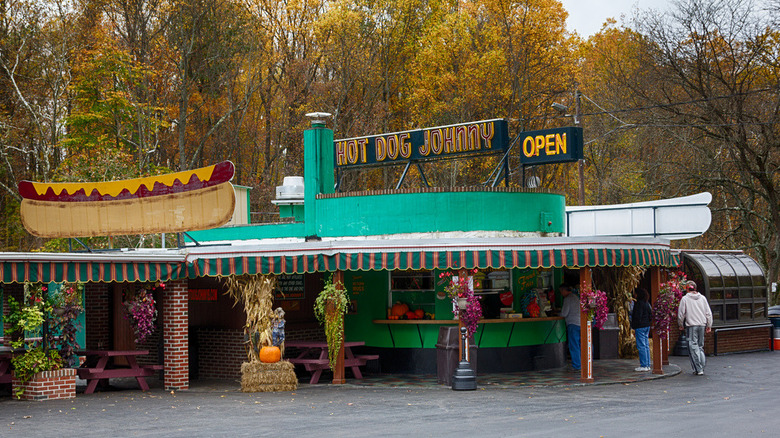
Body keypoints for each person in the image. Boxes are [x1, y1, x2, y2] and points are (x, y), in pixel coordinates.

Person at [677, 282, 713, 375]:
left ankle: (698, 369)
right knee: (700, 346)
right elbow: (708, 313)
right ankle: (702, 366)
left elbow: (681, 314)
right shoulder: (703, 298)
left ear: (687, 288)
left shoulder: (685, 299)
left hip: (691, 326)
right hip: (702, 324)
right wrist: (709, 325)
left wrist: (680, 324)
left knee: (693, 348)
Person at [559, 285, 581, 371]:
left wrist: (558, 314)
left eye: (561, 291)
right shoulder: (576, 297)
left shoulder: (568, 299)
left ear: (564, 290)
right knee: (579, 344)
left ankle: (577, 365)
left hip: (572, 323)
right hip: (579, 323)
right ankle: (583, 364)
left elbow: (564, 313)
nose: (561, 293)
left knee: (574, 345)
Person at [631, 288, 652, 372]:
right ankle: (647, 364)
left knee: (641, 346)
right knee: (646, 345)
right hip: (647, 325)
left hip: (640, 326)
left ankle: (643, 365)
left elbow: (637, 316)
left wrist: (634, 325)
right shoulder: (647, 303)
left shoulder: (639, 304)